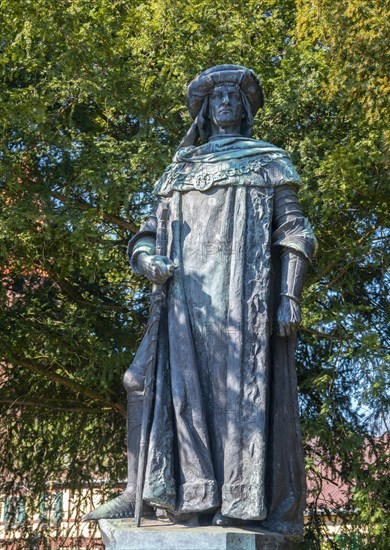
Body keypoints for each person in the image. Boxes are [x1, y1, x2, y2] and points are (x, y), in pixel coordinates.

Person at [84, 65, 316, 539]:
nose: (226, 102)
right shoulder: (180, 168)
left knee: (236, 399)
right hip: (184, 304)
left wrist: (289, 294)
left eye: (233, 95)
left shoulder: (268, 160)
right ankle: (151, 489)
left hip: (242, 303)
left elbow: (295, 231)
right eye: (217, 97)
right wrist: (147, 259)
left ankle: (235, 500)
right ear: (206, 109)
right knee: (141, 382)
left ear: (245, 106)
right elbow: (148, 234)